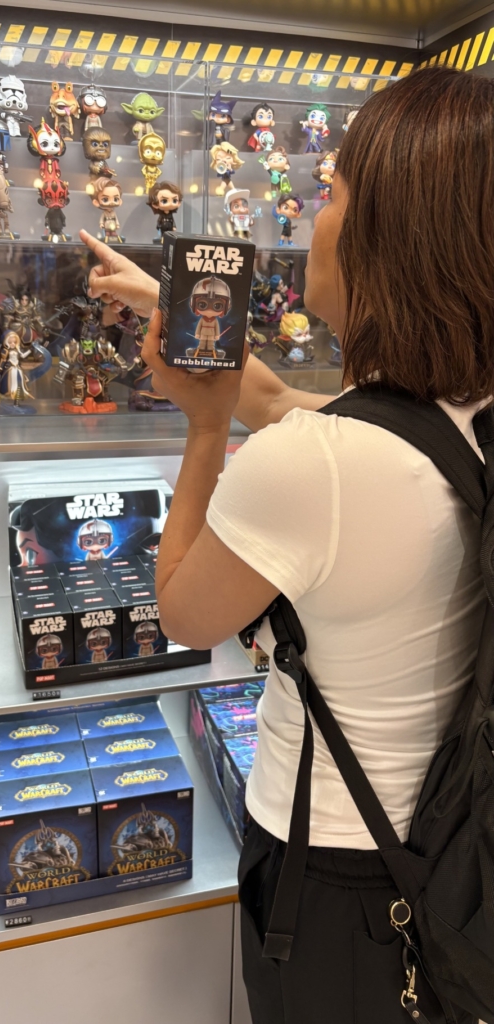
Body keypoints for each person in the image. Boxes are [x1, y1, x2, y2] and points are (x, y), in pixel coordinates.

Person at [79, 66, 494, 1024]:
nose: (315, 215)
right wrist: (176, 299)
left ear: (387, 235)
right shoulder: (460, 412)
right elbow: (274, 399)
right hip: (442, 845)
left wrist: (202, 430)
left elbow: (185, 614)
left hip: (337, 871)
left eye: (334, 193)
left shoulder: (319, 466)